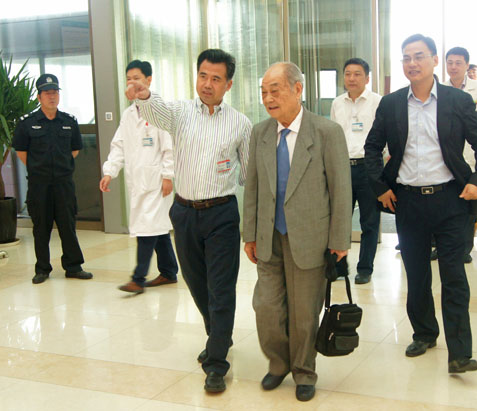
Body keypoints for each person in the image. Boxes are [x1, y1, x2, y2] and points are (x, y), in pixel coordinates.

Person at [364, 34, 477, 374]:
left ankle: (460, 352)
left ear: (435, 60)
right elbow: (372, 147)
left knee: (454, 277)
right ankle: (424, 333)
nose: (412, 63)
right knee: (417, 274)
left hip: (451, 200)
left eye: (419, 56)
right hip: (408, 202)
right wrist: (380, 187)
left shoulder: (457, 100)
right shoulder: (391, 104)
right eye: (406, 57)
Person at [125, 49, 251, 393]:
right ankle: (218, 337)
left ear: (228, 84)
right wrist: (143, 94)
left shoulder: (240, 124)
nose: (207, 84)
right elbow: (156, 109)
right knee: (197, 285)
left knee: (221, 289)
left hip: (222, 213)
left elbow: (248, 174)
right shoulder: (180, 112)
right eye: (203, 76)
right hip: (184, 213)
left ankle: (216, 363)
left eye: (216, 79)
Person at [243, 62, 351, 401]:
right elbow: (252, 187)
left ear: (298, 89)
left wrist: (340, 240)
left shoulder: (326, 132)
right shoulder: (260, 133)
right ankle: (278, 364)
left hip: (310, 238)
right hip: (268, 236)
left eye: (275, 90)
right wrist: (249, 234)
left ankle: (304, 370)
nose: (268, 98)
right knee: (267, 308)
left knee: (305, 312)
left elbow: (340, 190)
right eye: (264, 92)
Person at [100, 60, 178, 295]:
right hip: (138, 182)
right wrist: (109, 171)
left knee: (147, 229)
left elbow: (170, 146)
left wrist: (168, 175)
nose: (132, 82)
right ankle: (169, 271)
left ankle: (138, 278)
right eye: (128, 79)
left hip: (157, 181)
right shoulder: (128, 115)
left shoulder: (158, 110)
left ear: (148, 80)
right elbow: (119, 145)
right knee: (157, 228)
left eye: (136, 78)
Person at [13, 74, 93, 284]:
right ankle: (42, 269)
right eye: (47, 93)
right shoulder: (27, 123)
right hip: (39, 185)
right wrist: (40, 168)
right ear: (39, 96)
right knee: (41, 227)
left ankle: (73, 267)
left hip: (64, 184)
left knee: (68, 225)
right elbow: (21, 152)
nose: (52, 96)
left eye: (55, 92)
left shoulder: (68, 122)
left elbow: (75, 150)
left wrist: (59, 165)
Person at [330, 57, 382, 284]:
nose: (351, 78)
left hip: (369, 167)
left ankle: (365, 268)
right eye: (348, 74)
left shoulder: (378, 102)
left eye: (357, 74)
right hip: (343, 167)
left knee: (369, 222)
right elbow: (333, 136)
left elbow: (384, 135)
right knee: (339, 220)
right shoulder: (337, 103)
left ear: (367, 78)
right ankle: (339, 267)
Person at [443, 46, 477, 264]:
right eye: (450, 63)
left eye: (458, 63)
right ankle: (441, 245)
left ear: (467, 65)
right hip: (448, 156)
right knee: (448, 203)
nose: (453, 67)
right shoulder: (440, 89)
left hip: (472, 153)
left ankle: (466, 248)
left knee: (470, 205)